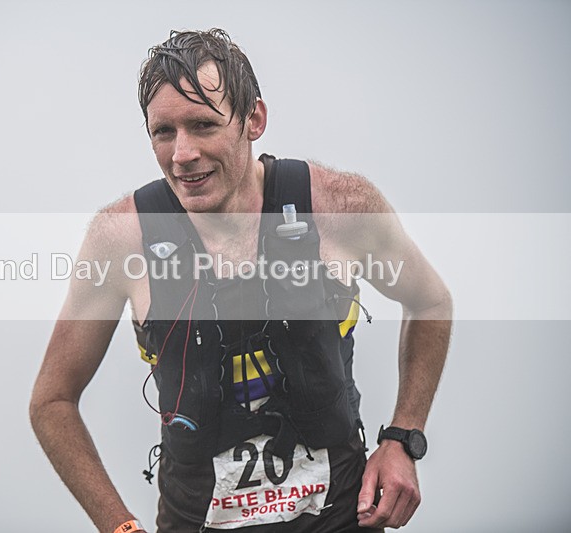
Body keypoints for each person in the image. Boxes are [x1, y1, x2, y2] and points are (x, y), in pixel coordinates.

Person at [30, 29, 452, 533]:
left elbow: (431, 302)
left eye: (203, 125)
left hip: (341, 517)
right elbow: (52, 400)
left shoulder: (340, 207)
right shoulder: (121, 238)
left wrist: (404, 438)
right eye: (163, 132)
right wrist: (119, 526)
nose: (182, 153)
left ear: (254, 119)